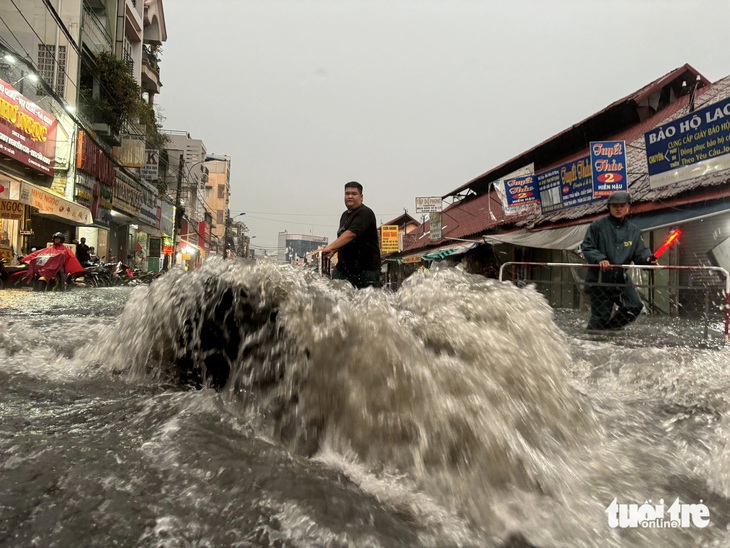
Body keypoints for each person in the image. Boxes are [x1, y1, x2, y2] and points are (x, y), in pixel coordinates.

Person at [581, 191, 658, 331]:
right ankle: (591, 342)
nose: (618, 209)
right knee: (600, 316)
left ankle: (611, 330)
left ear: (628, 207)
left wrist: (648, 261)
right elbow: (587, 246)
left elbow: (640, 252)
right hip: (599, 279)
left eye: (622, 205)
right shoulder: (597, 226)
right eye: (615, 206)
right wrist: (600, 259)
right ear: (609, 207)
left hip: (620, 278)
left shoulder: (633, 231)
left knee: (634, 306)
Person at [321, 181, 381, 289]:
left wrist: (329, 247)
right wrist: (333, 251)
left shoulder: (365, 213)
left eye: (354, 194)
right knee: (336, 298)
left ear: (361, 197)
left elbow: (351, 234)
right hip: (344, 270)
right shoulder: (344, 215)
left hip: (365, 271)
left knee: (365, 303)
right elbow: (343, 238)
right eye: (347, 193)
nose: (350, 196)